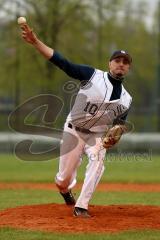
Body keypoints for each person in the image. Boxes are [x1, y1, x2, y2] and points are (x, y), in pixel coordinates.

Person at [20, 23, 132, 218]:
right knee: (63, 179)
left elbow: (119, 125)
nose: (121, 63)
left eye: (125, 61)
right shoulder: (92, 75)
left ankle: (82, 206)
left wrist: (114, 137)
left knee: (98, 162)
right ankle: (65, 190)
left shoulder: (127, 99)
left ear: (128, 67)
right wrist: (36, 42)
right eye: (117, 60)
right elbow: (62, 62)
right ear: (110, 63)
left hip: (96, 136)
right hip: (73, 130)